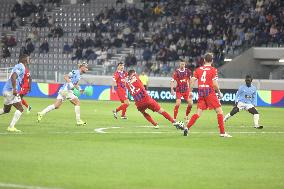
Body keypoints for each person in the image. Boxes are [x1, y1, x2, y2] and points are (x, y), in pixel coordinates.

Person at [184, 53, 232, 137]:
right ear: (212, 61)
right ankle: (222, 133)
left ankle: (187, 127)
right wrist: (219, 92)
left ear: (204, 60)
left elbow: (192, 80)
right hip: (209, 91)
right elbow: (214, 84)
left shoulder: (198, 70)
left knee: (198, 113)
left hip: (201, 91)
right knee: (219, 111)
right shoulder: (213, 70)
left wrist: (190, 91)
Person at [0, 54, 31, 132]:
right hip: (10, 91)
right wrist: (14, 89)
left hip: (6, 90)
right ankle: (11, 127)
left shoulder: (18, 66)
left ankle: (11, 126)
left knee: (6, 110)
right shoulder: (21, 67)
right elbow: (13, 77)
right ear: (24, 60)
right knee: (20, 109)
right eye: (28, 58)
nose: (29, 60)